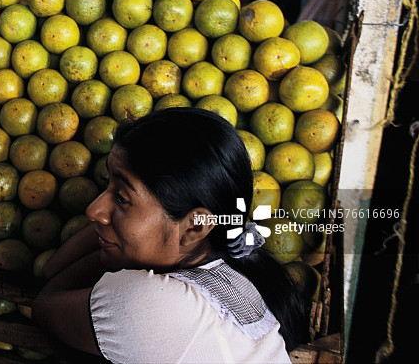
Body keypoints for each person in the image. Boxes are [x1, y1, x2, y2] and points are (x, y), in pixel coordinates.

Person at [33, 107, 307, 363]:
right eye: (108, 185)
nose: (93, 210)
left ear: (195, 227)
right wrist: (116, 230)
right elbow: (49, 273)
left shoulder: (153, 307)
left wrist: (115, 241)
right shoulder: (236, 278)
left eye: (122, 198)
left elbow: (46, 304)